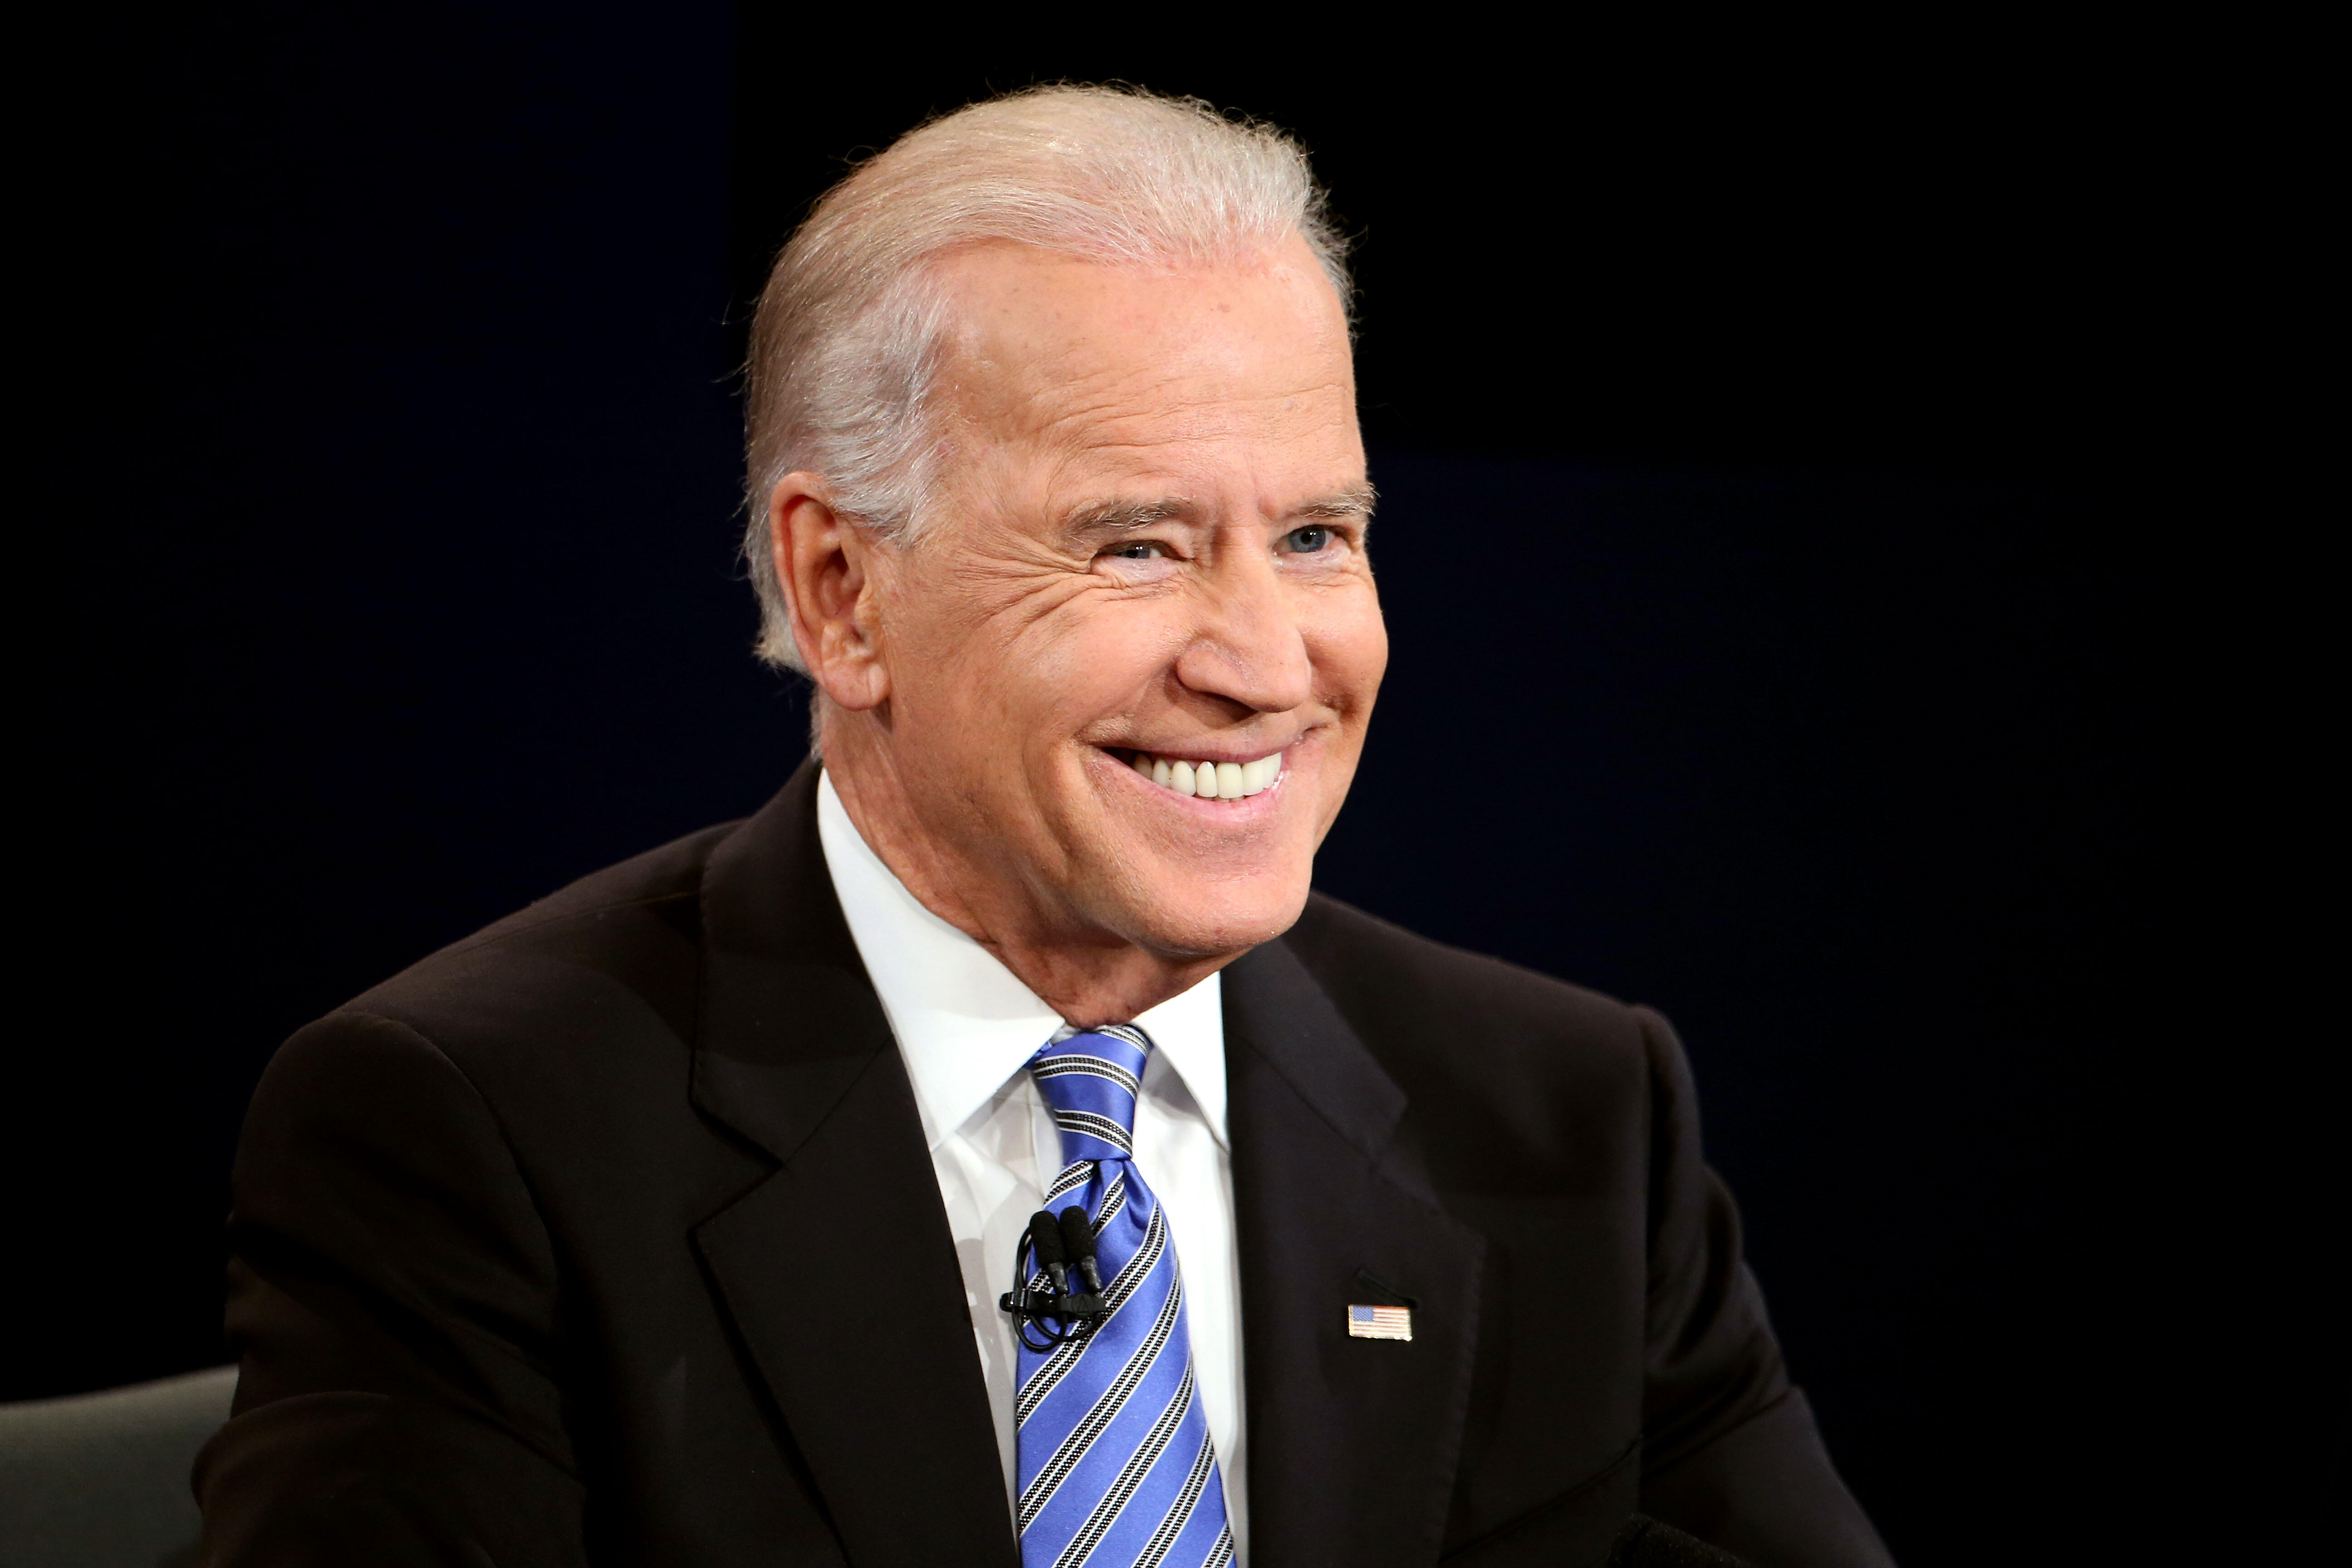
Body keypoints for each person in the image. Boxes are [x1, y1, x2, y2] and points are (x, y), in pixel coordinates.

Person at [194, 86, 1894, 1568]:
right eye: (1137, 545)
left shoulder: (1566, 1125)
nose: (1264, 664)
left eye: (1314, 535)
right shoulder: (477, 1131)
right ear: (842, 591)